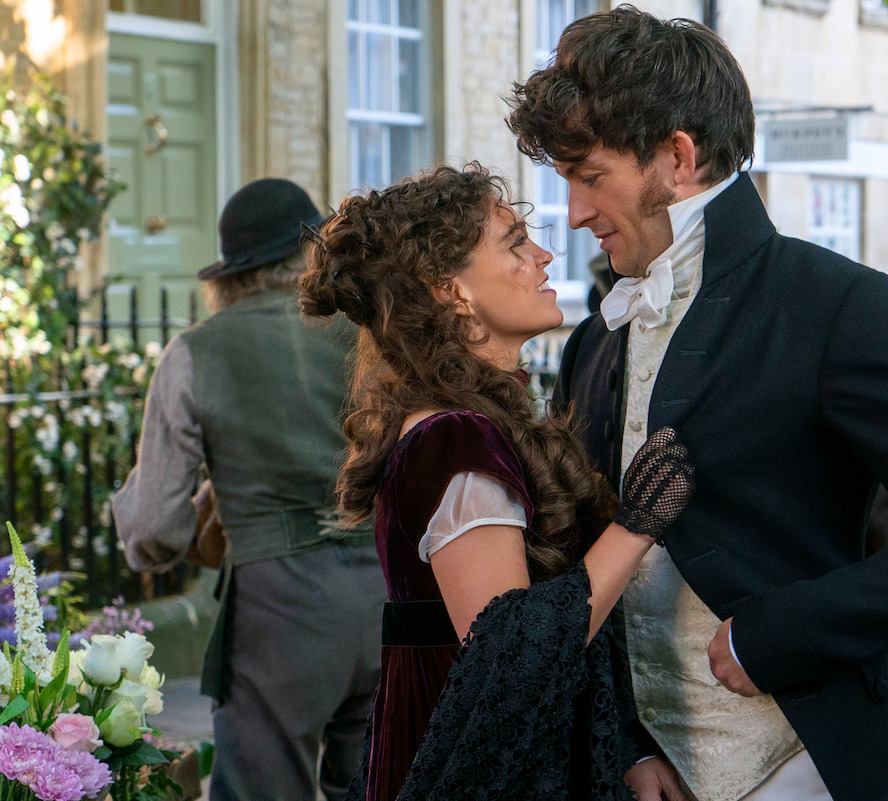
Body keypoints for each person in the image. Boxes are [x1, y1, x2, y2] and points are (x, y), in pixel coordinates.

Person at [506, 6, 888, 801]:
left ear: (678, 158)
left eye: (589, 176)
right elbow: (594, 570)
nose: (575, 213)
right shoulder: (595, 341)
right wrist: (623, 741)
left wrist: (785, 631)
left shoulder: (836, 303)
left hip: (802, 760)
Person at [296, 163, 695, 801]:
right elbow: (512, 660)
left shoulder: (469, 422)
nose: (545, 253)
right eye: (514, 242)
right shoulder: (453, 438)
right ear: (449, 288)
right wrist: (638, 524)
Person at [112, 178, 386, 801]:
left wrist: (164, 543)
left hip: (277, 607)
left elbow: (154, 523)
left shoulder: (197, 352)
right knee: (375, 782)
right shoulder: (372, 333)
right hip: (385, 591)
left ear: (232, 273)